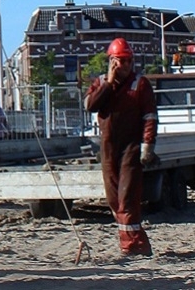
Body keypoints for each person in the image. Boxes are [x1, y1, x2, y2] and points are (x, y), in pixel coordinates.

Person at [85, 37, 157, 256]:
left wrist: (148, 144)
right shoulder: (100, 83)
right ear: (111, 61)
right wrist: (109, 82)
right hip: (108, 150)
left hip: (131, 149)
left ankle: (132, 247)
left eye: (127, 61)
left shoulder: (140, 84)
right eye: (120, 61)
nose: (124, 66)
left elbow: (150, 116)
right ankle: (134, 243)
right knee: (114, 200)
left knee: (127, 199)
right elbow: (90, 105)